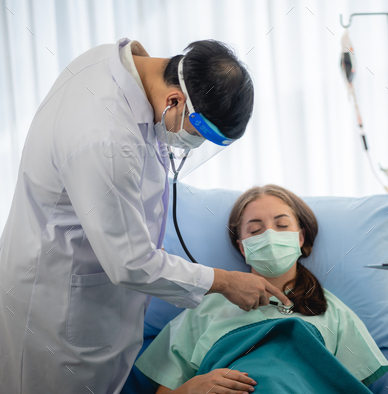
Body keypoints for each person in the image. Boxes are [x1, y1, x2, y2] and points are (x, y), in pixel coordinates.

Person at [0, 38, 291, 394]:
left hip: (92, 291)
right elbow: (131, 263)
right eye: (199, 133)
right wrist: (225, 282)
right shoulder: (104, 138)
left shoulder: (120, 66)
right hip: (57, 306)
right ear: (175, 100)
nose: (192, 143)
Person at [134, 185, 388, 393]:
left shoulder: (333, 313)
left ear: (300, 238)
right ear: (243, 247)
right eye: (255, 230)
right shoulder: (202, 310)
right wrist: (192, 389)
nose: (269, 234)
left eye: (281, 225)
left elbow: (346, 386)